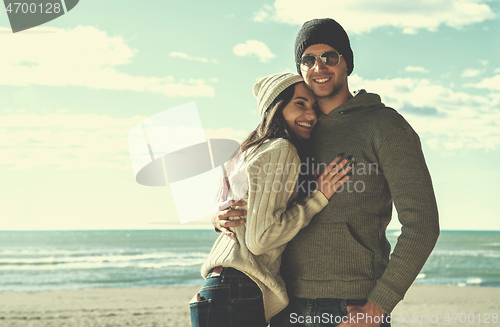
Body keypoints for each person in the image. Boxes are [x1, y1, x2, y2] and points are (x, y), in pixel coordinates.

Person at [214, 18, 440, 327]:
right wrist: (220, 218)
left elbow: (422, 224)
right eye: (308, 59)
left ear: (347, 62)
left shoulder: (386, 127)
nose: (319, 66)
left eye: (329, 56)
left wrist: (378, 307)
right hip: (282, 302)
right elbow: (257, 202)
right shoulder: (294, 130)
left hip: (350, 306)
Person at [190, 73, 354, 327]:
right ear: (275, 108)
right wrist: (318, 197)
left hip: (217, 288)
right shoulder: (282, 149)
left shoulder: (250, 150)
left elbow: (237, 216)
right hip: (238, 290)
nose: (311, 115)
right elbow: (260, 239)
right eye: (300, 104)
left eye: (313, 107)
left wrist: (217, 219)